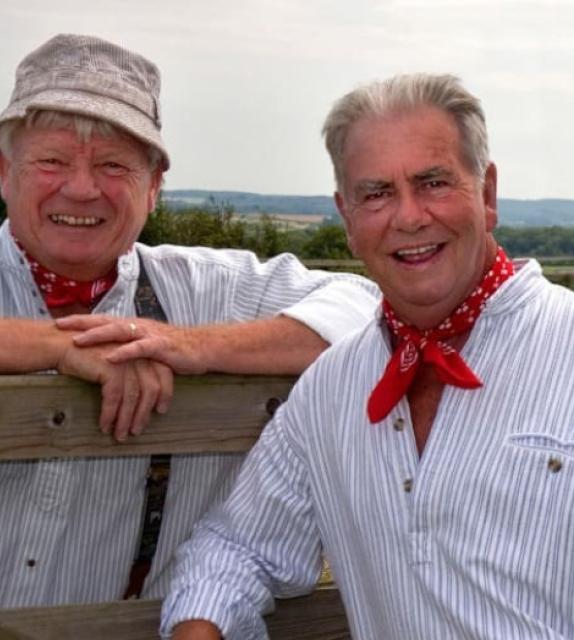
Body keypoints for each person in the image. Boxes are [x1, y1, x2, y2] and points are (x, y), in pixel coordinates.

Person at [162, 73, 574, 640]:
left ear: (487, 193)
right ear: (347, 218)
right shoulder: (331, 393)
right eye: (377, 193)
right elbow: (234, 547)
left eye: (434, 182)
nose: (410, 216)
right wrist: (199, 633)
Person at [0, 34, 378, 606]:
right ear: (6, 173)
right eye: (51, 160)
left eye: (113, 165)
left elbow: (365, 307)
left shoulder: (203, 291)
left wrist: (192, 344)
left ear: (153, 189)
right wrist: (53, 346)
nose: (81, 188)